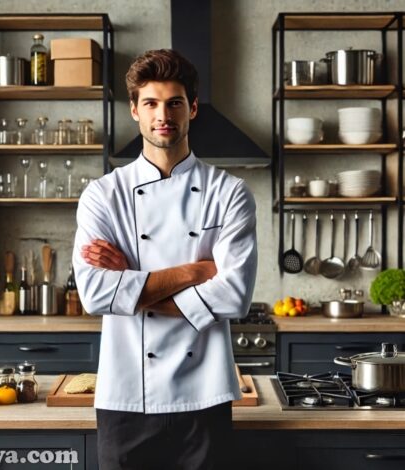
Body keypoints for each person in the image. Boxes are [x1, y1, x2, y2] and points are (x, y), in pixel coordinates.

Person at [73, 48, 257, 470]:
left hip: (205, 396)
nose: (164, 115)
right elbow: (95, 294)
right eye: (151, 103)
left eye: (175, 102)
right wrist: (194, 272)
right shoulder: (103, 195)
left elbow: (234, 298)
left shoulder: (228, 193)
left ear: (192, 108)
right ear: (134, 111)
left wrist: (131, 285)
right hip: (125, 397)